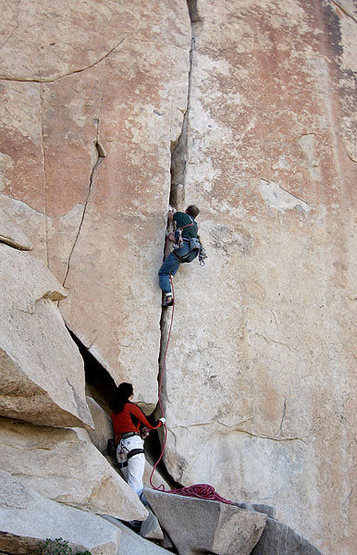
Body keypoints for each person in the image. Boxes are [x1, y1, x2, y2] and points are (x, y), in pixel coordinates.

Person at [110, 382, 165, 500]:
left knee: (129, 484)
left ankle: (131, 510)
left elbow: (125, 427)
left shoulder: (114, 412)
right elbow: (150, 424)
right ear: (130, 394)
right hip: (133, 445)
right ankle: (134, 516)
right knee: (136, 486)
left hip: (120, 448)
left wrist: (141, 431)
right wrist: (161, 422)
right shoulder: (130, 407)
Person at [158, 204, 200, 306]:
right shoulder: (195, 224)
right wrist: (173, 237)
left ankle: (169, 297)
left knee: (163, 273)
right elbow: (186, 236)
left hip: (184, 249)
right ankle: (171, 275)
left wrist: (172, 211)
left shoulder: (183, 216)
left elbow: (171, 215)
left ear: (186, 211)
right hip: (193, 252)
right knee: (177, 260)